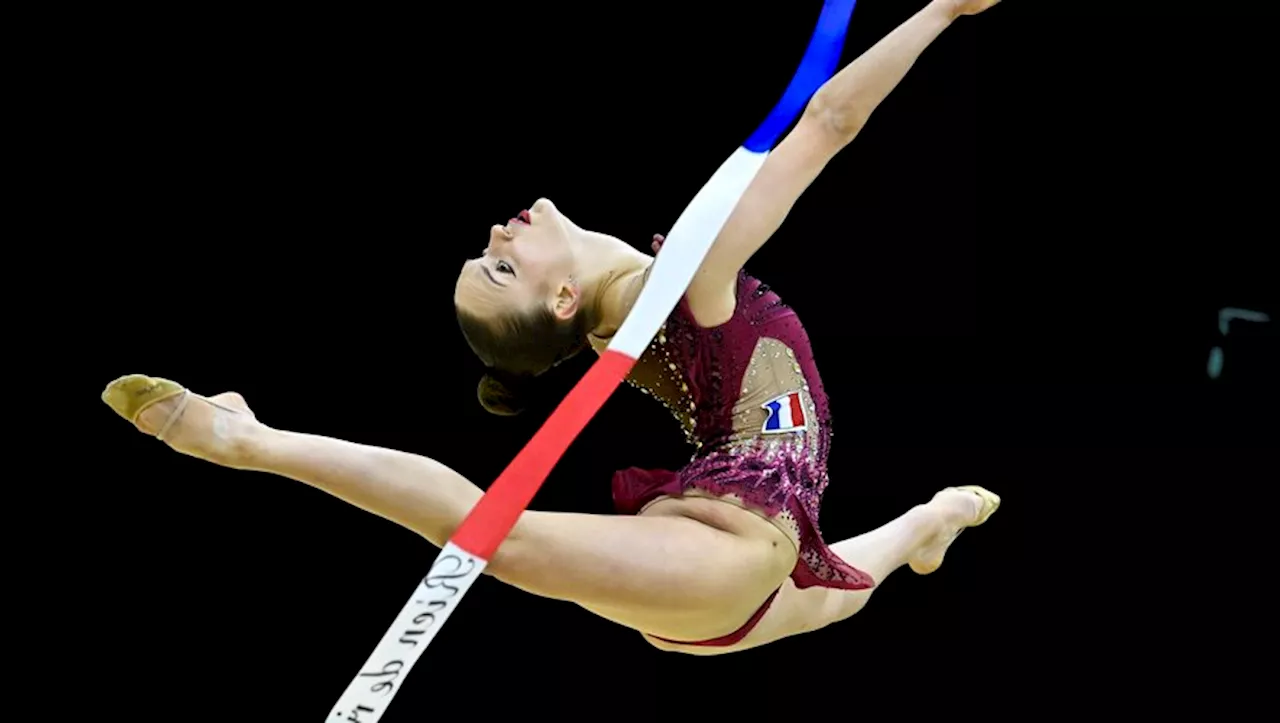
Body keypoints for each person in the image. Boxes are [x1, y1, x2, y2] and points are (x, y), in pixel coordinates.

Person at [103, 0, 1002, 655]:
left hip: (719, 584)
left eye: (484, 252)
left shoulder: (642, 317)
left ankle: (935, 515)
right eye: (500, 267)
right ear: (563, 302)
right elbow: (830, 120)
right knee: (501, 538)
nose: (497, 234)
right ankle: (248, 438)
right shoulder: (687, 282)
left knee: (840, 596)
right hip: (724, 549)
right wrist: (941, 11)